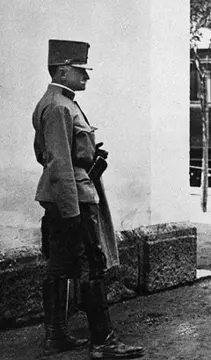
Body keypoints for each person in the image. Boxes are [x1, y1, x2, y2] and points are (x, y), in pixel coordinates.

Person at [32, 39, 144, 359]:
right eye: (81, 71)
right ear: (63, 70)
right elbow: (58, 162)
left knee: (60, 266)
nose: (86, 77)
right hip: (73, 197)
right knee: (91, 265)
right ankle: (103, 341)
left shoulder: (61, 101)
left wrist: (90, 154)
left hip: (66, 192)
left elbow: (57, 154)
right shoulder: (58, 106)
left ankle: (56, 336)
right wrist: (71, 212)